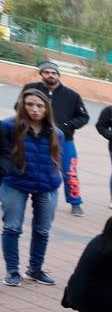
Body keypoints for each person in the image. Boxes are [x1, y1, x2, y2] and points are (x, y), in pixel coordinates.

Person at [0, 87, 63, 287]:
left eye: (40, 105)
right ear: (22, 105)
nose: (35, 109)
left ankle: (35, 269)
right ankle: (12, 271)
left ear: (47, 108)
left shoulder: (56, 133)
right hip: (15, 183)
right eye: (30, 104)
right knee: (12, 227)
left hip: (47, 185)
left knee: (42, 230)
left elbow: (58, 159)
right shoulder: (7, 126)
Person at [24, 61, 87, 216]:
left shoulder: (72, 96)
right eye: (47, 72)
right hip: (34, 137)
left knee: (69, 171)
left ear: (59, 75)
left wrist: (68, 125)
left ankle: (75, 202)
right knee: (22, 164)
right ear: (41, 74)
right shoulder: (30, 90)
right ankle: (14, 193)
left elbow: (83, 117)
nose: (50, 75)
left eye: (54, 73)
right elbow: (19, 108)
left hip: (65, 140)